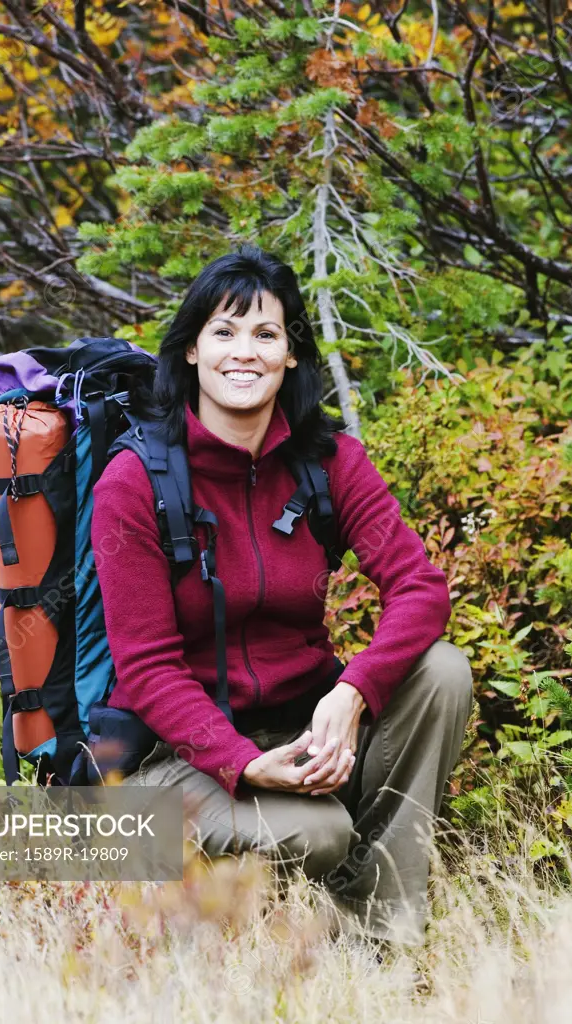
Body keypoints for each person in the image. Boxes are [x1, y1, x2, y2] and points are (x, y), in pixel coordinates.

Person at [91, 244, 473, 946]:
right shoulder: (132, 482)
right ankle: (254, 920)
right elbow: (145, 667)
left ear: (291, 354)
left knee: (443, 671)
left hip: (304, 730)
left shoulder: (329, 461)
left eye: (265, 334)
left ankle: (383, 936)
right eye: (224, 332)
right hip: (180, 753)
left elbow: (419, 587)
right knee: (318, 832)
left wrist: (352, 692)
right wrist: (238, 761)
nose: (245, 352)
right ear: (191, 352)